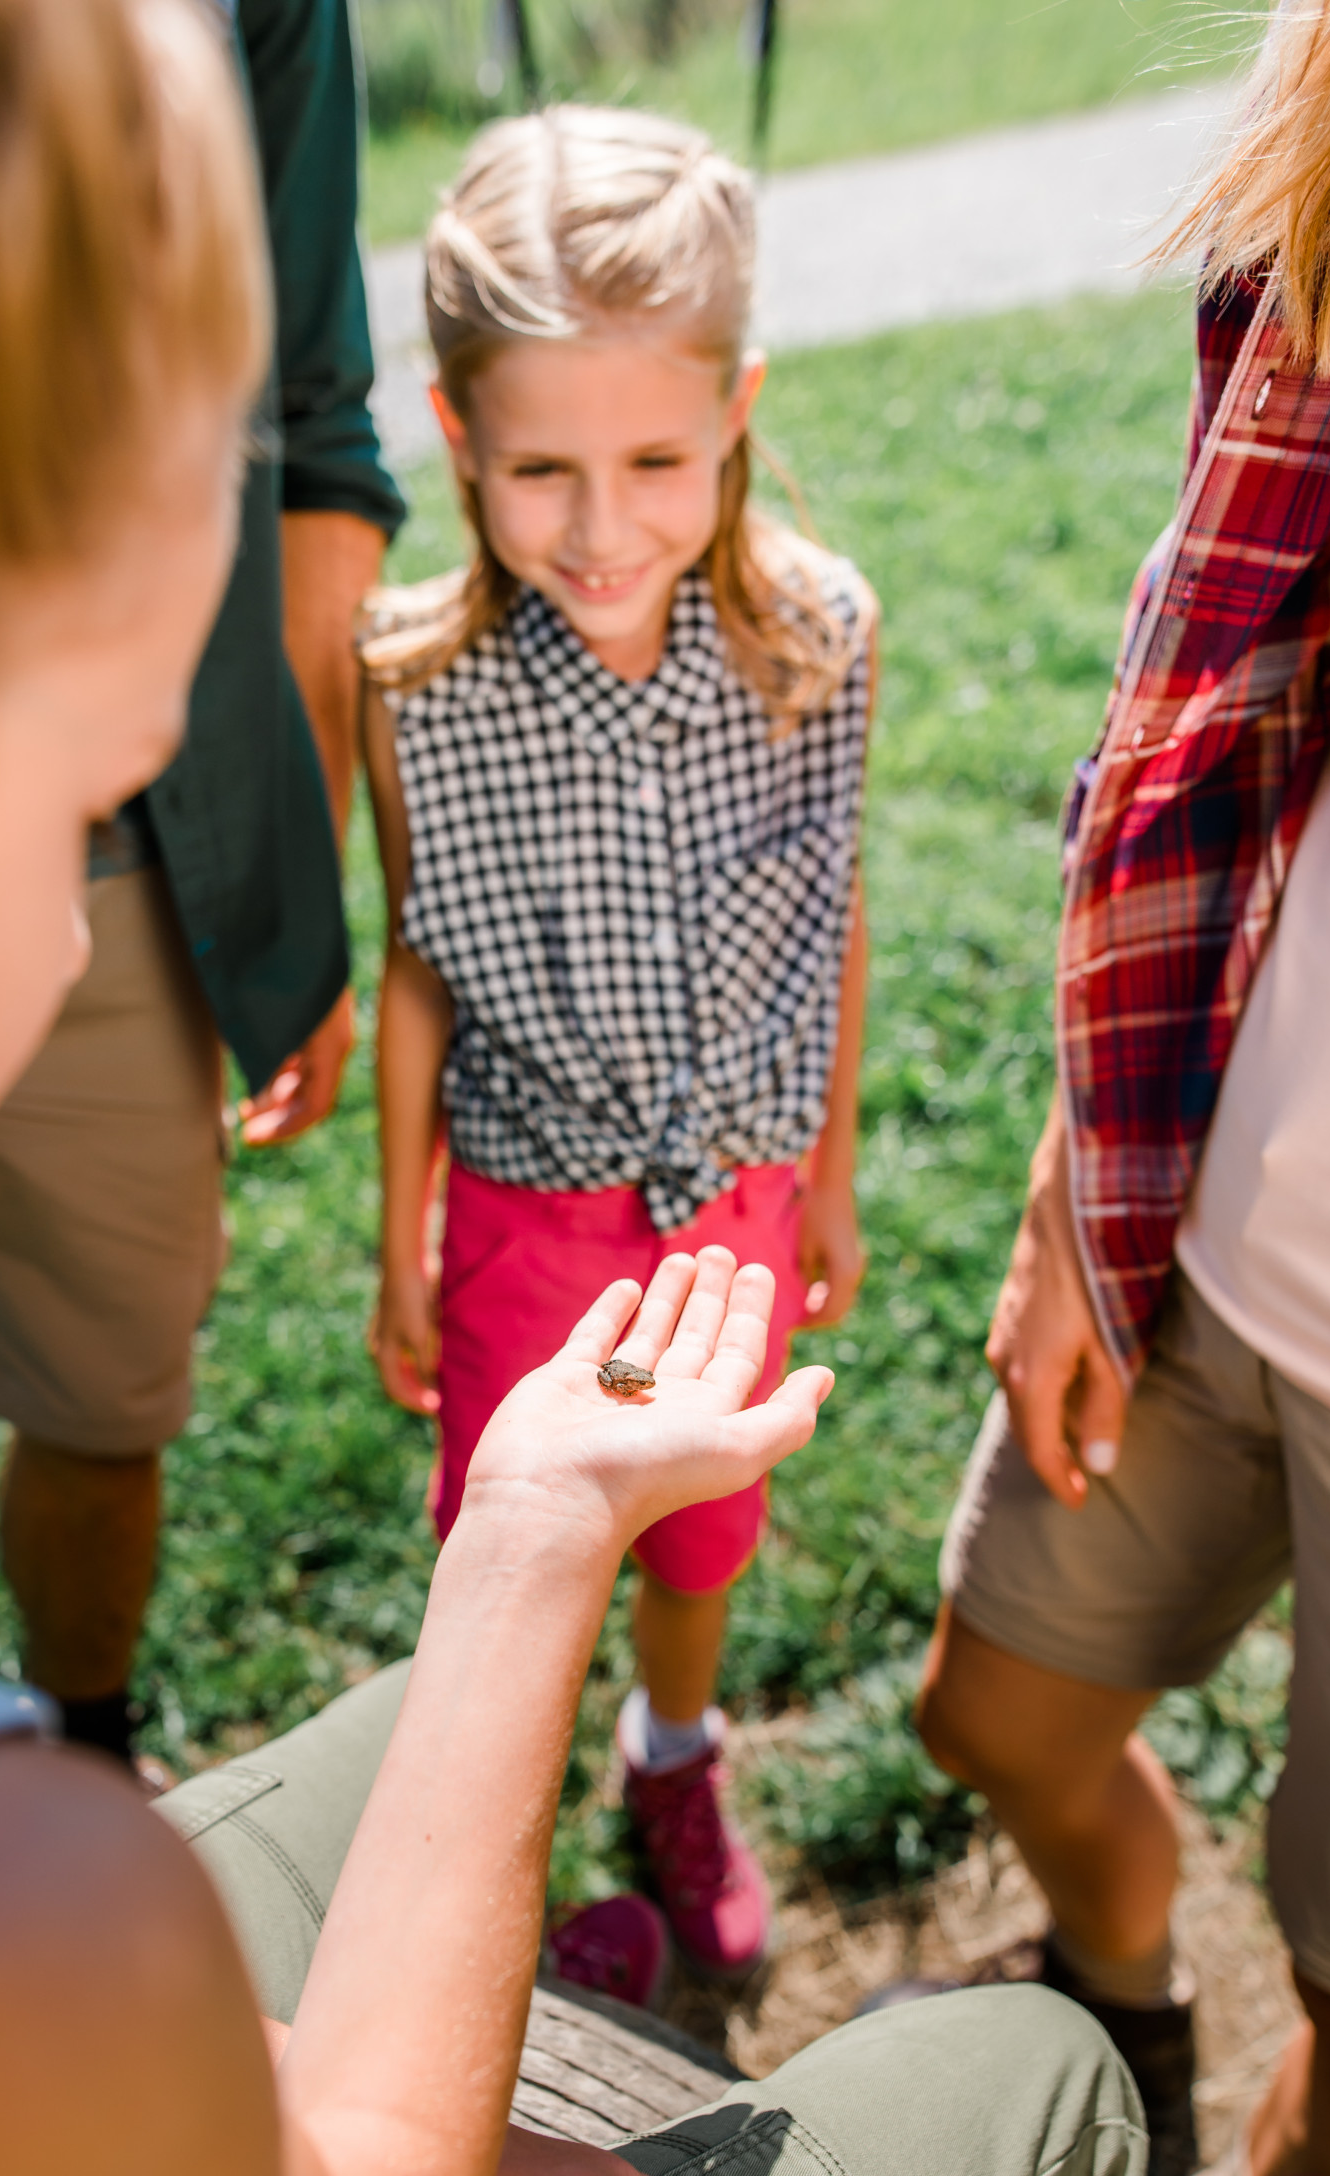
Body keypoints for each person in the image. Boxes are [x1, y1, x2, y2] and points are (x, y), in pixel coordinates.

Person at [0, 8, 1330, 2176]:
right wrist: (542, 1521)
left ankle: (639, 1842)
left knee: (405, 1747)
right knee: (1017, 2060)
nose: (61, 941)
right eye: (71, 798)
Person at [0, 0, 404, 1777]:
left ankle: (86, 1746)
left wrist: (285, 864)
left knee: (110, 1399)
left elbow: (314, 431)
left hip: (134, 871)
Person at [914, 0, 1330, 2176]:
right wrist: (1059, 1194)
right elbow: (1214, 719)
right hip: (1208, 1227)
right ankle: (1124, 1992)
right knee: (992, 1705)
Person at [360, 109, 873, 1990]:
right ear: (454, 437)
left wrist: (820, 1171)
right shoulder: (414, 682)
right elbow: (417, 961)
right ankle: (505, 1847)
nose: (599, 526)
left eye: (656, 458)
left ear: (734, 408)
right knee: (525, 1549)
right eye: (540, 468)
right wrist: (399, 1233)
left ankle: (673, 1763)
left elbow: (835, 913)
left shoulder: (818, 640)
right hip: (518, 1209)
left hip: (729, 1197)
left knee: (698, 1527)